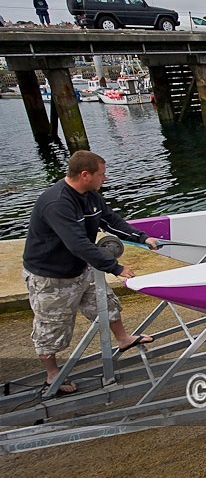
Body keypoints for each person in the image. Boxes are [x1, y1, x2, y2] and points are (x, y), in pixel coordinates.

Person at [22, 151, 159, 394]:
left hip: (81, 267)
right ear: (85, 175)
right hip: (51, 276)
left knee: (107, 304)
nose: (104, 179)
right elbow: (78, 244)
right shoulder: (57, 203)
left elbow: (109, 220)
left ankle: (123, 338)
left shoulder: (90, 196)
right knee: (51, 327)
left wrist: (142, 237)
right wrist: (115, 268)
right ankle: (52, 374)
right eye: (101, 174)